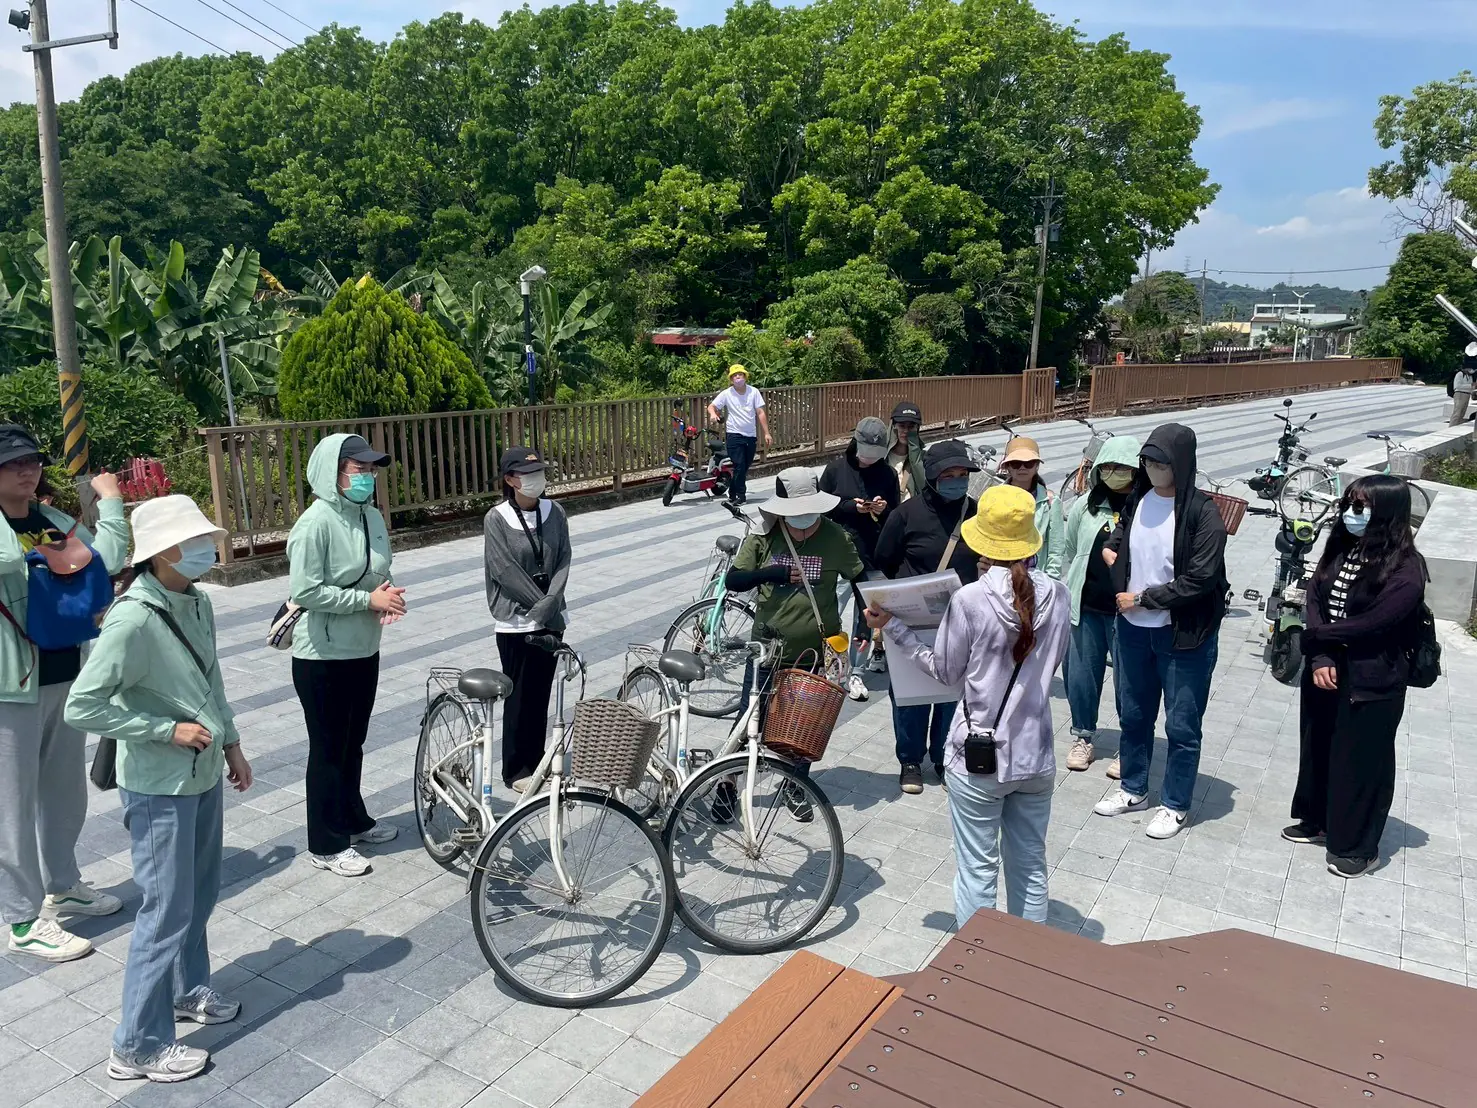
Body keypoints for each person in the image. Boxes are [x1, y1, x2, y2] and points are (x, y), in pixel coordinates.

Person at [65, 495, 252, 1084]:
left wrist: (231, 743)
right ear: (164, 551)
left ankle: (187, 989)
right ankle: (136, 1046)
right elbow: (82, 706)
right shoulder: (133, 619)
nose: (207, 548)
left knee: (198, 894)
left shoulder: (195, 600)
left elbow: (211, 677)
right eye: (196, 540)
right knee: (165, 910)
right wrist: (164, 730)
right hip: (158, 786)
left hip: (201, 771)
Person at [867, 484, 1070, 926]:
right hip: (1035, 754)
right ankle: (1028, 956)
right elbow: (1052, 660)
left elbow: (945, 672)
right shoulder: (1059, 594)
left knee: (978, 869)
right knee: (1030, 866)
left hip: (979, 755)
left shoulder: (972, 598)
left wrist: (895, 629)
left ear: (982, 543)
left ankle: (978, 958)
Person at [0, 424, 128, 962]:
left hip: (62, 674)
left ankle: (64, 883)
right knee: (11, 805)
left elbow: (109, 559)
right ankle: (21, 919)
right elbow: (11, 563)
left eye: (32, 461)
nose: (27, 470)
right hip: (9, 686)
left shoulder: (49, 519)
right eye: (13, 462)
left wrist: (111, 504)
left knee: (64, 793)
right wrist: (47, 550)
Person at [1093, 424, 1228, 840]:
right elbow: (1122, 531)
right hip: (1134, 630)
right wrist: (1112, 548)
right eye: (1147, 461)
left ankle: (1175, 803)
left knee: (1182, 726)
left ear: (1181, 464)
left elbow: (1200, 578)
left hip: (1183, 634)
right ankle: (1133, 788)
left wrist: (1144, 599)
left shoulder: (1202, 513)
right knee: (1134, 716)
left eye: (1161, 462)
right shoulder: (1139, 498)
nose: (1152, 469)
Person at [1287, 475, 1424, 879]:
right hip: (1327, 665)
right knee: (1320, 745)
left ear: (1386, 512)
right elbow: (1316, 595)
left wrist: (1318, 638)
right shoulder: (1342, 546)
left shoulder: (1407, 568)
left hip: (1372, 676)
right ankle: (1318, 820)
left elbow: (1377, 622)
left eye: (1361, 506)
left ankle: (1359, 847)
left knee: (1362, 761)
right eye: (1348, 503)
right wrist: (1321, 655)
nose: (1351, 513)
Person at [287, 434, 403, 878]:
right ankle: (326, 843)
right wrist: (366, 601)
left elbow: (377, 570)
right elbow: (306, 591)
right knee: (328, 749)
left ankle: (353, 819)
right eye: (359, 469)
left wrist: (387, 595)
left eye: (371, 470)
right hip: (323, 656)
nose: (368, 477)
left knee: (352, 743)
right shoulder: (314, 524)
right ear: (331, 473)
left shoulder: (370, 515)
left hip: (363, 647)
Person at [726, 468, 864, 809]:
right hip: (767, 648)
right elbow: (734, 580)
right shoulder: (764, 536)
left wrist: (868, 625)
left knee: (805, 723)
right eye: (795, 514)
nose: (803, 521)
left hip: (815, 652)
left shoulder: (835, 537)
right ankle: (727, 782)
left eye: (809, 511)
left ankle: (795, 782)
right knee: (749, 718)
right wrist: (768, 573)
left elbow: (861, 579)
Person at [873, 439, 981, 794]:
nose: (956, 481)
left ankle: (944, 757)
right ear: (932, 477)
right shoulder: (905, 515)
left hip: (960, 621)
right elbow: (884, 560)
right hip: (910, 622)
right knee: (910, 695)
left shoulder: (976, 513)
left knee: (952, 693)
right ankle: (909, 760)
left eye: (962, 474)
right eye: (948, 475)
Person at [484, 446, 573, 791]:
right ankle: (516, 770)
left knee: (541, 694)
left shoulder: (555, 511)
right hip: (516, 621)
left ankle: (537, 763)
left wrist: (551, 603)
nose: (537, 479)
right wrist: (543, 604)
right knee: (519, 696)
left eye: (539, 472)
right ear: (510, 479)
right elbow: (504, 570)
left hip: (550, 619)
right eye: (527, 474)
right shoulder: (497, 518)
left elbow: (563, 558)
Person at [1058, 435, 1142, 772]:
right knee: (1080, 676)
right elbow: (1070, 548)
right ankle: (1082, 736)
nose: (1114, 473)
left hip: (1129, 612)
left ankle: (1130, 744)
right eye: (1107, 466)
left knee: (1130, 680)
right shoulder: (1085, 505)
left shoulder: (1145, 507)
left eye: (1122, 467)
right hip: (1086, 606)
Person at [821, 417, 900, 700]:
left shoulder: (887, 474)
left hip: (871, 553)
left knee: (865, 615)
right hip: (837, 552)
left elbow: (895, 515)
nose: (869, 460)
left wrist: (882, 508)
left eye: (875, 455)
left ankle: (856, 671)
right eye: (866, 454)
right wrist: (848, 507)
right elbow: (822, 508)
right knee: (829, 609)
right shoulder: (835, 470)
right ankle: (827, 665)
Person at [998, 436, 1063, 576]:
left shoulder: (1051, 502)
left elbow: (1056, 549)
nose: (1022, 467)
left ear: (1037, 466)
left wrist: (1051, 580)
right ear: (1007, 466)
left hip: (1035, 577)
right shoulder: (994, 497)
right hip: (1001, 574)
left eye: (1028, 463)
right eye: (1016, 463)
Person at [708, 364, 772, 505]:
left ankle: (732, 493)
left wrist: (767, 433)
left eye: (740, 374)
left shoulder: (753, 392)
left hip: (750, 435)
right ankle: (740, 496)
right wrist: (713, 414)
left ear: (745, 377)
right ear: (731, 379)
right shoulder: (727, 393)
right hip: (734, 434)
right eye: (735, 375)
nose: (738, 377)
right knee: (739, 465)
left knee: (744, 466)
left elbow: (760, 412)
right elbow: (712, 406)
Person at [887, 401, 927, 503]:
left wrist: (915, 454)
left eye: (911, 427)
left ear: (917, 429)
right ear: (894, 426)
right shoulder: (882, 456)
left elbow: (923, 487)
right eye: (902, 426)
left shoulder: (924, 458)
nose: (906, 431)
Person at [1450, 344, 1475, 426]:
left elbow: (1471, 387)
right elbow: (1457, 386)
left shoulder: (1470, 376)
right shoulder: (1460, 374)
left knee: (1462, 413)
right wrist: (1470, 385)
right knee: (1457, 413)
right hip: (1460, 394)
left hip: (1467, 395)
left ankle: (1457, 426)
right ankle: (1452, 426)